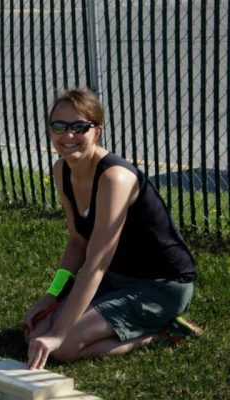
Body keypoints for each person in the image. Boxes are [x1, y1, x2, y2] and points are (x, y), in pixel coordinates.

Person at [22, 88, 198, 370]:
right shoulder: (62, 170)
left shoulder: (115, 178)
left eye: (79, 127)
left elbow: (97, 262)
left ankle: (159, 333)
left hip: (160, 286)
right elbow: (78, 243)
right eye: (59, 126)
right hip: (117, 278)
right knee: (35, 329)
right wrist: (51, 295)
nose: (68, 136)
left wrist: (58, 335)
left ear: (97, 132)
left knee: (63, 347)